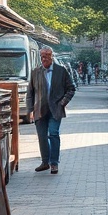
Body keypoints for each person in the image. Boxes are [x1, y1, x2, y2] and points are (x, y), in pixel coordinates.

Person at [26, 45, 76, 174]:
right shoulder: (35, 72)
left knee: (53, 134)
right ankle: (45, 162)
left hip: (55, 109)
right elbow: (30, 93)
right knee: (42, 136)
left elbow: (71, 88)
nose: (44, 59)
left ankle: (54, 163)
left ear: (51, 56)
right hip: (39, 109)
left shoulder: (61, 71)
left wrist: (63, 103)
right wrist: (30, 110)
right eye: (42, 56)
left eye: (46, 56)